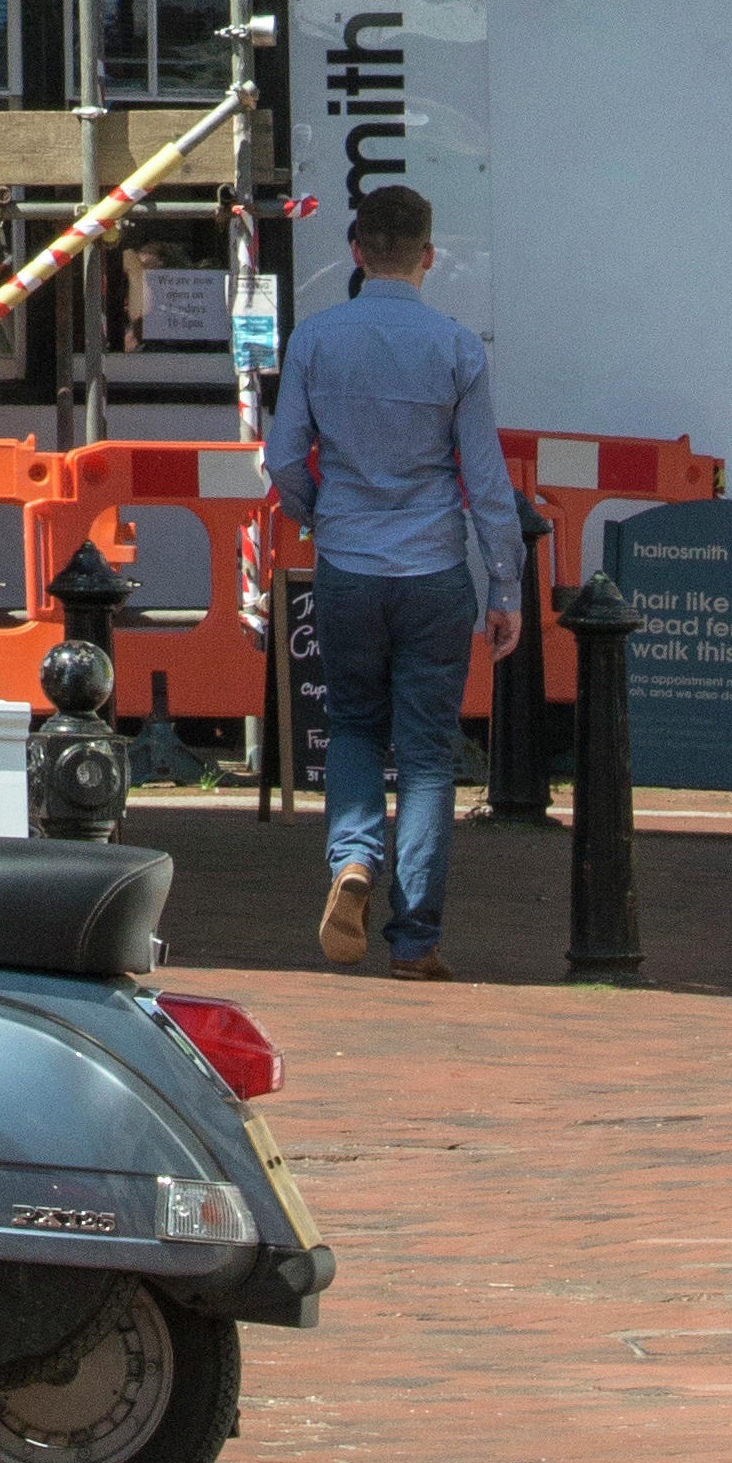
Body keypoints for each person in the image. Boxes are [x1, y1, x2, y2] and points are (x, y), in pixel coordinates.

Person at [262, 182, 520, 978]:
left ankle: (353, 856)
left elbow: (279, 460)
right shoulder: (457, 348)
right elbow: (486, 480)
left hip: (348, 565)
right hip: (435, 568)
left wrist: (319, 513)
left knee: (352, 727)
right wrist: (504, 586)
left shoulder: (315, 339)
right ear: (428, 257)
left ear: (356, 251)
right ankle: (416, 941)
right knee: (430, 757)